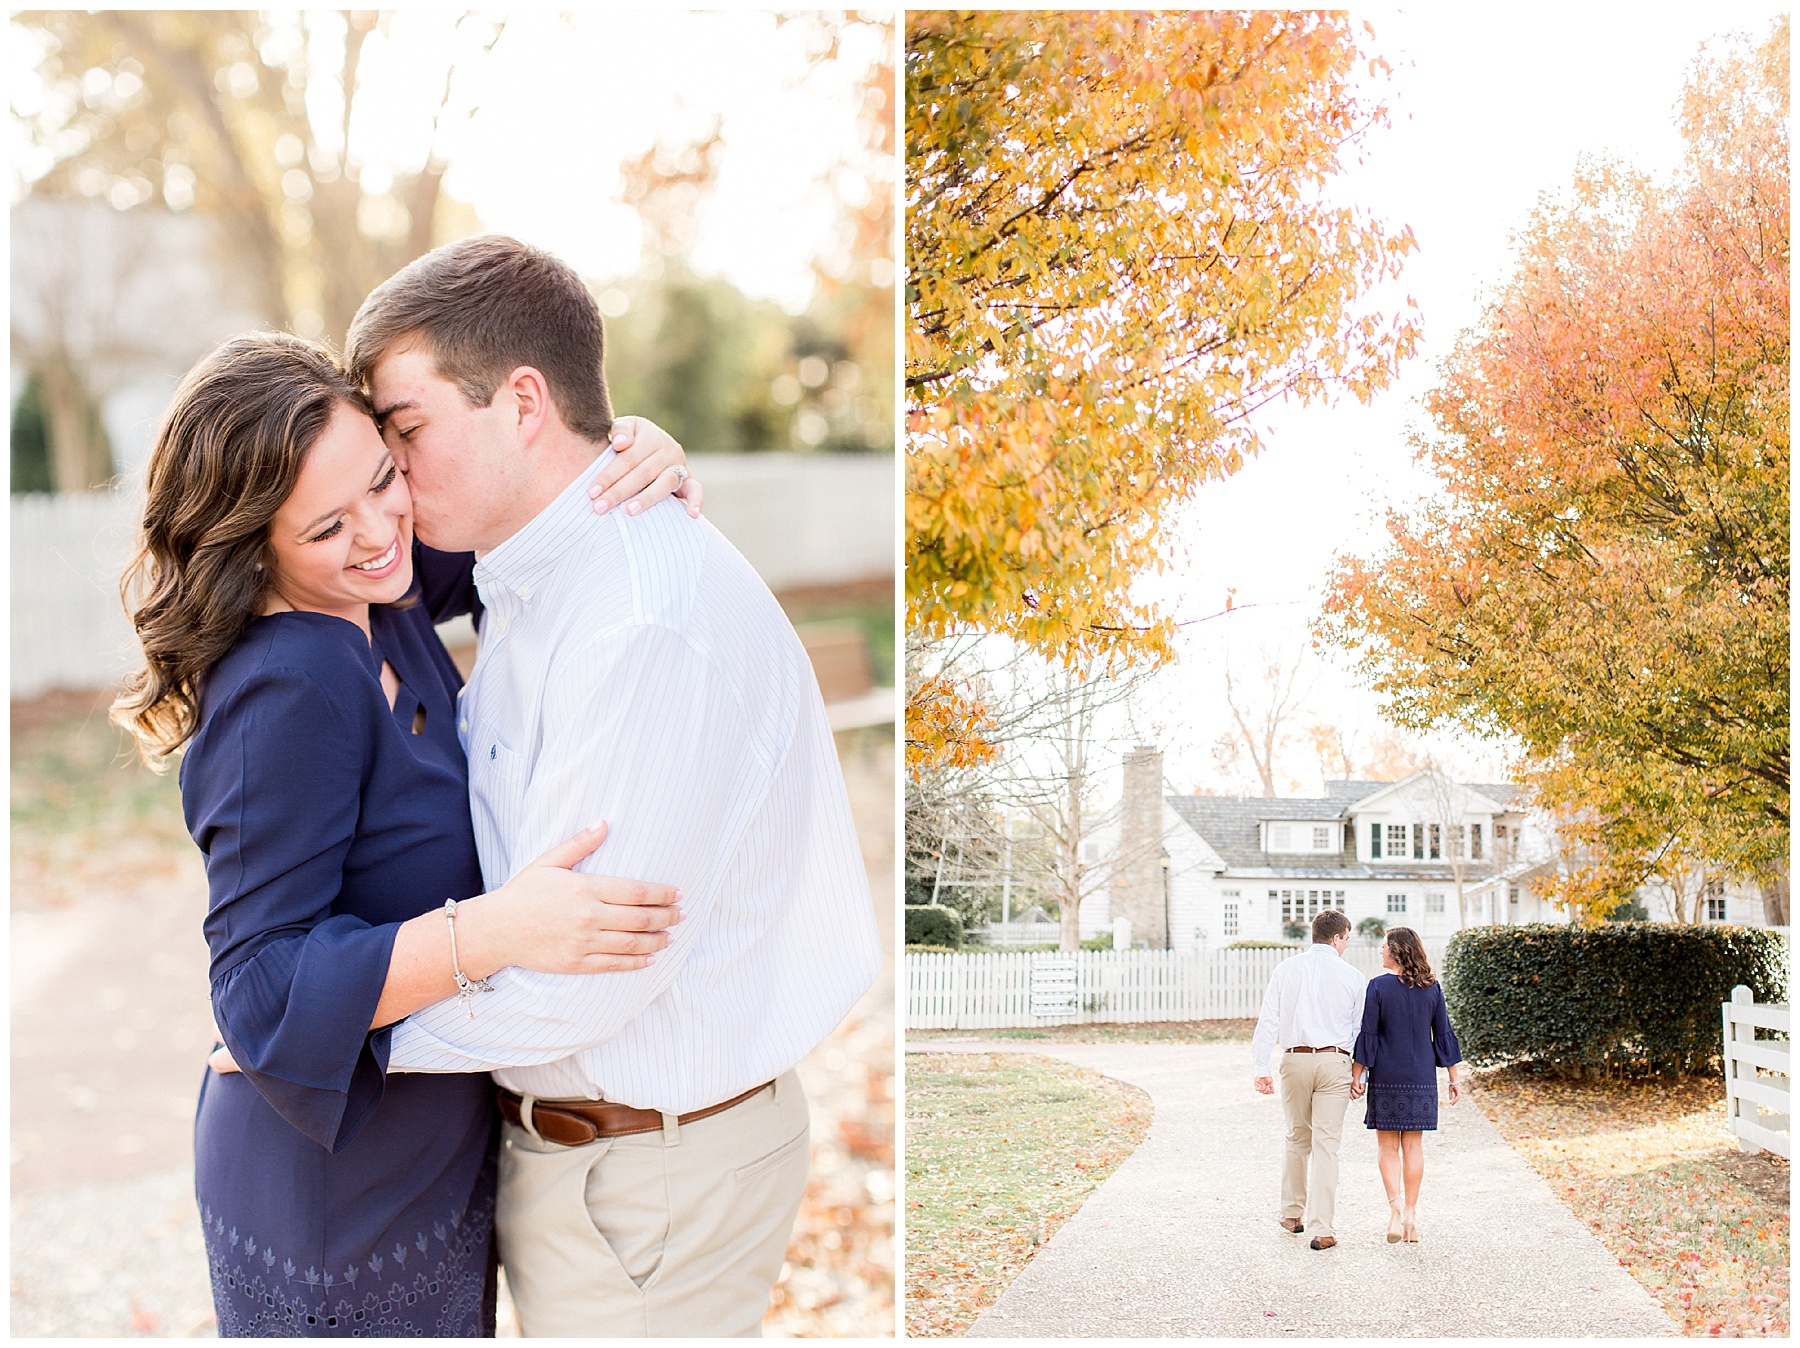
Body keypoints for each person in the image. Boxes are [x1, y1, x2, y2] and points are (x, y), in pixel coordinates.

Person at [342, 235, 883, 1338]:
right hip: (589, 1158)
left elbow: (583, 981)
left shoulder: (639, 624)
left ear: (522, 402)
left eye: (406, 429)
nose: (389, 472)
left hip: (651, 1181)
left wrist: (331, 1031)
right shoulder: (530, 569)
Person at [112, 332, 701, 1336]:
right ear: (255, 546)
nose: (383, 529)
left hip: (428, 1149)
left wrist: (630, 449)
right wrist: (502, 928)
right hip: (331, 1198)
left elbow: (517, 519)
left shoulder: (377, 594)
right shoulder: (287, 689)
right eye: (327, 525)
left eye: (384, 478)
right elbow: (257, 990)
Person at [1251, 908, 1367, 1251]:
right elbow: (1360, 1030)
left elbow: (1268, 1019)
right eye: (1346, 938)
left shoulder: (1286, 969)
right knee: (1327, 1144)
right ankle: (1322, 1228)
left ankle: (1291, 1213)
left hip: (1295, 1059)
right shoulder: (1353, 976)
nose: (1346, 944)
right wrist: (1359, 1073)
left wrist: (1261, 1067)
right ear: (1336, 938)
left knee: (1296, 1137)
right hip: (1335, 1061)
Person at [1350, 925, 1463, 1244]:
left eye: (1384, 946)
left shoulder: (1378, 987)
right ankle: (1411, 1214)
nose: (1381, 950)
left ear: (1397, 950)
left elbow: (1368, 1034)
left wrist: (1357, 1075)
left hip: (1387, 1075)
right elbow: (1443, 1033)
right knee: (1413, 1146)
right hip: (1420, 1077)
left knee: (1387, 1146)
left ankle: (1395, 1208)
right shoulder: (1432, 988)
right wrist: (1454, 1078)